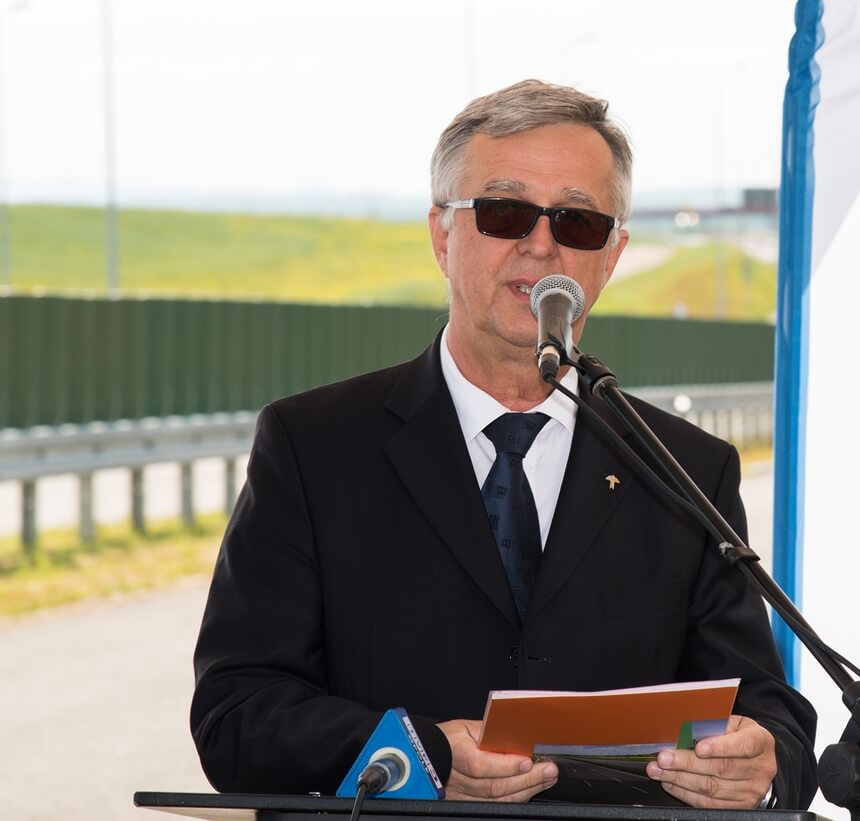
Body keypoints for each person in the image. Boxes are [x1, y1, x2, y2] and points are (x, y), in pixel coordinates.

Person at [191, 79, 818, 810]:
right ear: (442, 234)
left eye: (578, 221)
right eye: (504, 211)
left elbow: (768, 717)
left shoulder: (686, 470)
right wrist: (418, 757)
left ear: (612, 254)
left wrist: (762, 765)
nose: (541, 243)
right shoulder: (312, 447)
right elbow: (236, 714)